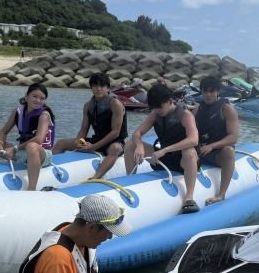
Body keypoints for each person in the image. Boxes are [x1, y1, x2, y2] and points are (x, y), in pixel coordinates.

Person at [124, 83, 200, 213]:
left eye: (159, 107)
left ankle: (189, 197)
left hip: (182, 161)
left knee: (190, 152)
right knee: (130, 145)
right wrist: (140, 145)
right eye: (153, 107)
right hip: (162, 157)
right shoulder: (155, 114)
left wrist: (164, 150)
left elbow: (194, 140)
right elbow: (137, 133)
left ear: (170, 101)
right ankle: (129, 182)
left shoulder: (185, 115)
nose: (157, 110)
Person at [0, 83, 56, 191]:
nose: (38, 100)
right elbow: (4, 131)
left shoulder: (44, 115)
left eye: (42, 98)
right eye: (34, 96)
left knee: (32, 146)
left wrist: (14, 149)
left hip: (41, 154)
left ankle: (32, 189)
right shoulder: (18, 112)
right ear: (27, 96)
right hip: (22, 151)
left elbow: (39, 139)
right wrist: (0, 145)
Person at [52, 73, 128, 180]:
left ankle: (96, 176)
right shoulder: (88, 106)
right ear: (91, 88)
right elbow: (84, 128)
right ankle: (48, 167)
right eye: (95, 86)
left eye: (102, 86)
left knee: (115, 149)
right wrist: (79, 141)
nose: (99, 89)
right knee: (61, 143)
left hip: (115, 141)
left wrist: (94, 147)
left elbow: (115, 132)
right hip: (97, 139)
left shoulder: (115, 104)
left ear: (108, 88)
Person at [193, 75, 239, 205]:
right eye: (205, 91)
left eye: (212, 91)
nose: (208, 95)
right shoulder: (197, 110)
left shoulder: (227, 109)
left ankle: (221, 194)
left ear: (217, 91)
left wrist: (212, 146)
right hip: (201, 151)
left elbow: (233, 137)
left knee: (229, 151)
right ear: (201, 91)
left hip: (219, 154)